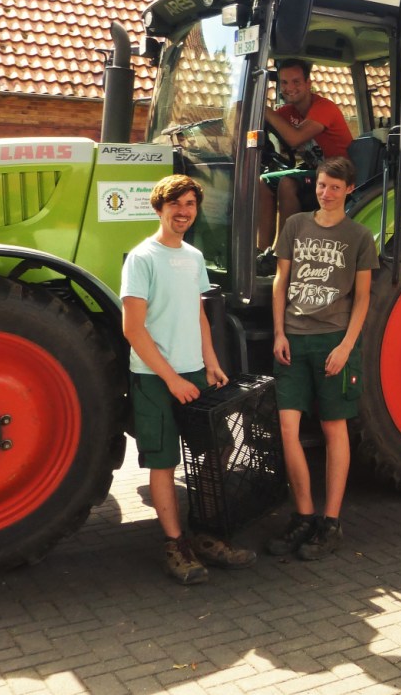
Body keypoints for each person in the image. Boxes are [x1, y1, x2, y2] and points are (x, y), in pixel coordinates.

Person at [121, 173, 257, 584]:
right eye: (175, 205)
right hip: (153, 377)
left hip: (194, 371)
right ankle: (175, 544)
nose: (183, 212)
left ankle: (206, 535)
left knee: (213, 451)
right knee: (163, 463)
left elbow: (198, 315)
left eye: (190, 206)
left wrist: (210, 361)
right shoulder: (141, 258)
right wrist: (172, 379)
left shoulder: (194, 258)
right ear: (159, 208)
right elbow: (133, 328)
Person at [266, 156, 379, 560]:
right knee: (287, 428)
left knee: (335, 430)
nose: (325, 192)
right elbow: (282, 281)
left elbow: (362, 298)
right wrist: (279, 332)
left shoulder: (360, 236)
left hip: (334, 342)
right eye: (320, 185)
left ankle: (330, 523)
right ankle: (303, 515)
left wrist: (346, 346)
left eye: (334, 187)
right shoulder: (296, 225)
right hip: (294, 341)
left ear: (349, 189)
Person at [257, 59, 352, 266]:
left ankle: (281, 255)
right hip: (313, 170)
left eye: (296, 82)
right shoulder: (287, 112)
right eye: (284, 83)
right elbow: (263, 123)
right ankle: (260, 252)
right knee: (264, 181)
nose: (290, 88)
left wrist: (264, 110)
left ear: (308, 83)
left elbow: (294, 138)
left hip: (337, 173)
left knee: (288, 182)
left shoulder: (324, 108)